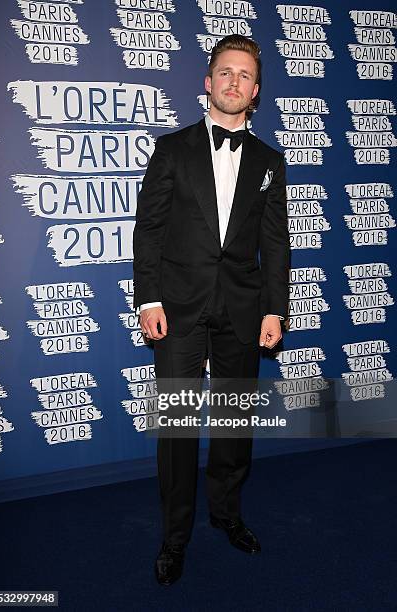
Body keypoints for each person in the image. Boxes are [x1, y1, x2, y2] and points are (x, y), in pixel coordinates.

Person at [133, 34, 290, 586]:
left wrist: (276, 310)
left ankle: (226, 514)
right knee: (175, 429)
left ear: (256, 92)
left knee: (233, 423)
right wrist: (148, 298)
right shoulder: (172, 150)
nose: (233, 83)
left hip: (244, 311)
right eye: (225, 72)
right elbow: (148, 230)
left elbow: (276, 243)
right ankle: (174, 539)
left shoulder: (271, 161)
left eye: (244, 76)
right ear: (208, 81)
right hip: (175, 308)